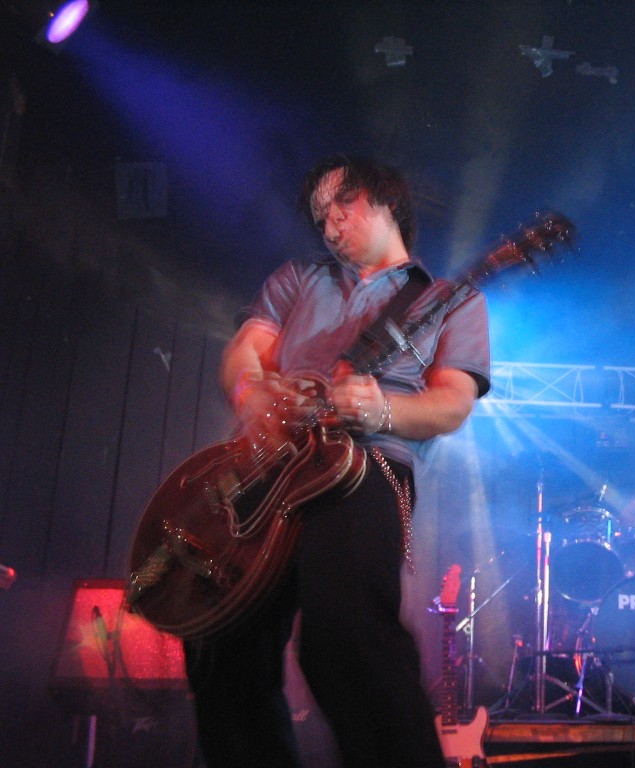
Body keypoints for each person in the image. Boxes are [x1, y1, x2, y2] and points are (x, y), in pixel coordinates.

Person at [183, 154, 490, 768]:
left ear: (387, 201)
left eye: (342, 205)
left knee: (346, 638)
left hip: (362, 467)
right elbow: (245, 352)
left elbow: (452, 404)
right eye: (320, 215)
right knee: (217, 631)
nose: (329, 225)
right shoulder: (298, 279)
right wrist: (252, 394)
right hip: (269, 466)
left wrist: (382, 410)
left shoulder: (451, 300)